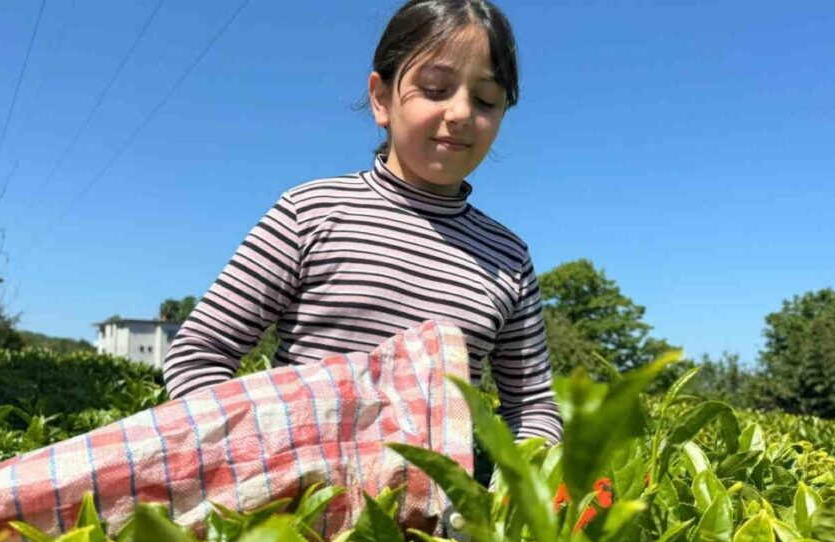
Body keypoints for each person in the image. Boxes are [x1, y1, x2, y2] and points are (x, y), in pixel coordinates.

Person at [163, 0, 562, 447]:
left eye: (486, 100)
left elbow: (533, 407)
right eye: (434, 89)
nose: (461, 113)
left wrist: (512, 486)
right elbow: (199, 354)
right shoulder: (310, 212)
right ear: (380, 98)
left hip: (439, 513)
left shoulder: (507, 259)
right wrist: (254, 459)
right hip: (290, 504)